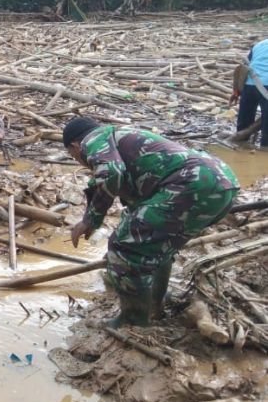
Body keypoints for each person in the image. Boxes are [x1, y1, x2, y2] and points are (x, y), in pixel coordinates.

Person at [63, 117, 239, 328]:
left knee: (124, 248)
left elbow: (111, 172)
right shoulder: (121, 136)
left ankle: (133, 320)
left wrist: (91, 220)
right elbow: (125, 187)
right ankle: (155, 306)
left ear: (74, 145)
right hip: (221, 182)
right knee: (156, 246)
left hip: (190, 184)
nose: (78, 160)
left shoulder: (92, 140)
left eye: (72, 156)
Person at [231, 36, 268, 150]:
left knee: (245, 116)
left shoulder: (260, 44)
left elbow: (245, 65)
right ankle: (265, 148)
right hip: (266, 85)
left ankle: (240, 144)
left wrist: (236, 91)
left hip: (249, 83)